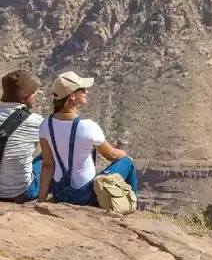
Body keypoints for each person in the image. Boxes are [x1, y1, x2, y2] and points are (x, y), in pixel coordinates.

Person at [37, 71, 137, 205]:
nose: (87, 92)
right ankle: (131, 205)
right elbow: (111, 155)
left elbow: (48, 165)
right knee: (127, 162)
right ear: (72, 97)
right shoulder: (87, 126)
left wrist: (41, 201)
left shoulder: (45, 125)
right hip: (84, 195)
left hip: (59, 193)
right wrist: (123, 154)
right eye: (82, 89)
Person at [0, 70, 44, 203]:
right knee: (50, 156)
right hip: (22, 193)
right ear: (24, 96)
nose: (35, 95)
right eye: (33, 92)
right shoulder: (35, 121)